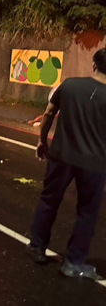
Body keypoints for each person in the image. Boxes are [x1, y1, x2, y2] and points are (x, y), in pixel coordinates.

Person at [26, 48, 106, 279]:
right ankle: (73, 262)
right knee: (87, 212)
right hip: (94, 163)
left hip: (61, 156)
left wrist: (42, 142)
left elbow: (49, 113)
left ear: (93, 65)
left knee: (49, 200)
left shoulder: (69, 85)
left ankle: (37, 247)